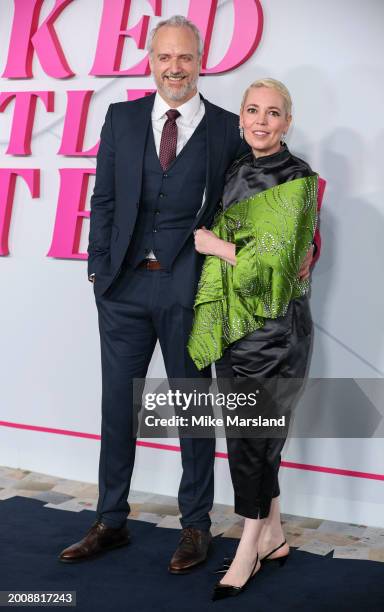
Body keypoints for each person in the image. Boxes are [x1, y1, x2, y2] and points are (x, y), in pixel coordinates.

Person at [59, 15, 317, 571]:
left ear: (201, 62)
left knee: (193, 410)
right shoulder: (122, 119)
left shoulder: (228, 127)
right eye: (164, 57)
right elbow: (103, 199)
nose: (174, 67)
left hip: (189, 289)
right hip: (124, 288)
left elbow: (256, 206)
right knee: (117, 406)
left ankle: (195, 527)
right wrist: (98, 272)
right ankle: (110, 520)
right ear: (150, 61)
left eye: (185, 57)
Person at [188, 78, 319, 599]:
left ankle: (248, 549)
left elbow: (279, 273)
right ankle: (275, 537)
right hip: (231, 326)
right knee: (249, 440)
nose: (261, 121)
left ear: (288, 122)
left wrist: (216, 246)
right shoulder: (237, 168)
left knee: (254, 444)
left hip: (274, 333)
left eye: (272, 113)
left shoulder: (299, 179)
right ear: (241, 118)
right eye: (252, 111)